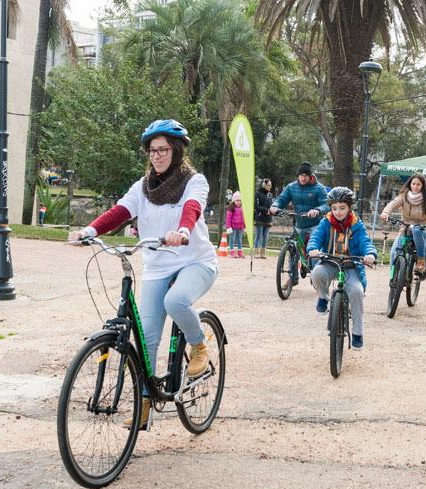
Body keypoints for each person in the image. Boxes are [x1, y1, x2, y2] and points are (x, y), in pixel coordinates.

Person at [68, 119, 217, 428]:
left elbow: (192, 208)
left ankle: (199, 344)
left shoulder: (195, 181)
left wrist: (183, 230)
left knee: (175, 302)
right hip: (156, 266)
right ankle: (144, 408)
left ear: (176, 151)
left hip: (195, 261)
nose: (157, 155)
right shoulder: (143, 186)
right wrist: (89, 230)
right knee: (146, 340)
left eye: (163, 149)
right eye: (152, 150)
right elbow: (120, 212)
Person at [306, 187, 376, 349]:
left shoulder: (356, 225)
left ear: (349, 207)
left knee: (357, 292)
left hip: (351, 265)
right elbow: (315, 238)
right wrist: (313, 249)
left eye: (342, 208)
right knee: (316, 273)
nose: (338, 212)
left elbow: (366, 242)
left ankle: (357, 332)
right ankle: (323, 297)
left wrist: (370, 254)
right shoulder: (325, 222)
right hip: (329, 262)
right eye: (334, 208)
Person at [268, 161, 329, 285]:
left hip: (315, 224)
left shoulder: (319, 188)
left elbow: (326, 204)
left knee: (314, 251)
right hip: (299, 224)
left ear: (310, 176)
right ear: (298, 176)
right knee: (293, 249)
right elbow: (281, 199)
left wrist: (317, 210)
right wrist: (275, 207)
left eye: (306, 175)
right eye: (301, 175)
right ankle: (293, 279)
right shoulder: (291, 187)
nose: (303, 178)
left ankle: (316, 278)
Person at [379, 172, 426, 274]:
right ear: (410, 184)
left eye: (418, 184)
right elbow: (393, 204)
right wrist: (385, 212)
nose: (415, 186)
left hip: (423, 228)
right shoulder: (404, 196)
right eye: (413, 184)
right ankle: (393, 276)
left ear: (423, 186)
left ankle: (421, 261)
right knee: (394, 251)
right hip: (406, 227)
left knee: (421, 241)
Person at [254, 178, 274, 258]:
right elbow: (256, 206)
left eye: (270, 185)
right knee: (258, 235)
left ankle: (263, 253)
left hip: (268, 218)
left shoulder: (270, 195)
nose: (270, 187)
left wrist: (272, 210)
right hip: (260, 217)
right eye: (268, 185)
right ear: (264, 185)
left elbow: (272, 205)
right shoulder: (257, 193)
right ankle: (256, 253)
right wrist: (265, 210)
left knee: (265, 236)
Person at [225, 191, 246, 258]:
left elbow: (243, 218)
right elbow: (228, 218)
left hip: (240, 227)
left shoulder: (242, 208)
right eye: (237, 200)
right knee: (232, 239)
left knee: (240, 240)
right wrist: (228, 227)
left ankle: (240, 253)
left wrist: (244, 226)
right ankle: (232, 253)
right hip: (233, 227)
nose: (238, 202)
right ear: (234, 200)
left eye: (240, 201)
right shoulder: (231, 208)